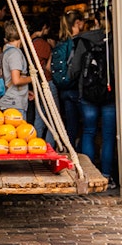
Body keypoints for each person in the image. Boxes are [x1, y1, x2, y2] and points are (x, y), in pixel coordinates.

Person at [70, 12, 118, 188]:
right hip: (109, 94)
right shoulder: (115, 40)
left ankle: (88, 175)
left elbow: (74, 71)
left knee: (88, 132)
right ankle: (106, 175)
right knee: (108, 136)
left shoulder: (83, 41)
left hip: (88, 94)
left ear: (95, 22)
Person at [50, 10, 84, 146]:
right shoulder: (78, 43)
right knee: (87, 126)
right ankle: (80, 152)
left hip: (64, 88)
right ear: (77, 23)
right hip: (76, 87)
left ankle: (70, 151)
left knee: (71, 124)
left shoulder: (61, 43)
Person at [27, 16, 57, 146]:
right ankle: (50, 146)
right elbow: (48, 67)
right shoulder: (43, 44)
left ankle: (36, 145)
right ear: (44, 27)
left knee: (39, 118)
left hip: (35, 84)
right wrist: (53, 49)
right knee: (53, 119)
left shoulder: (26, 42)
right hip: (46, 82)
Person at [0, 20, 33, 116]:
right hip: (14, 102)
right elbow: (16, 80)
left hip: (11, 99)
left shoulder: (7, 51)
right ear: (22, 34)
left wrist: (25, 91)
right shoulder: (15, 53)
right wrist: (33, 78)